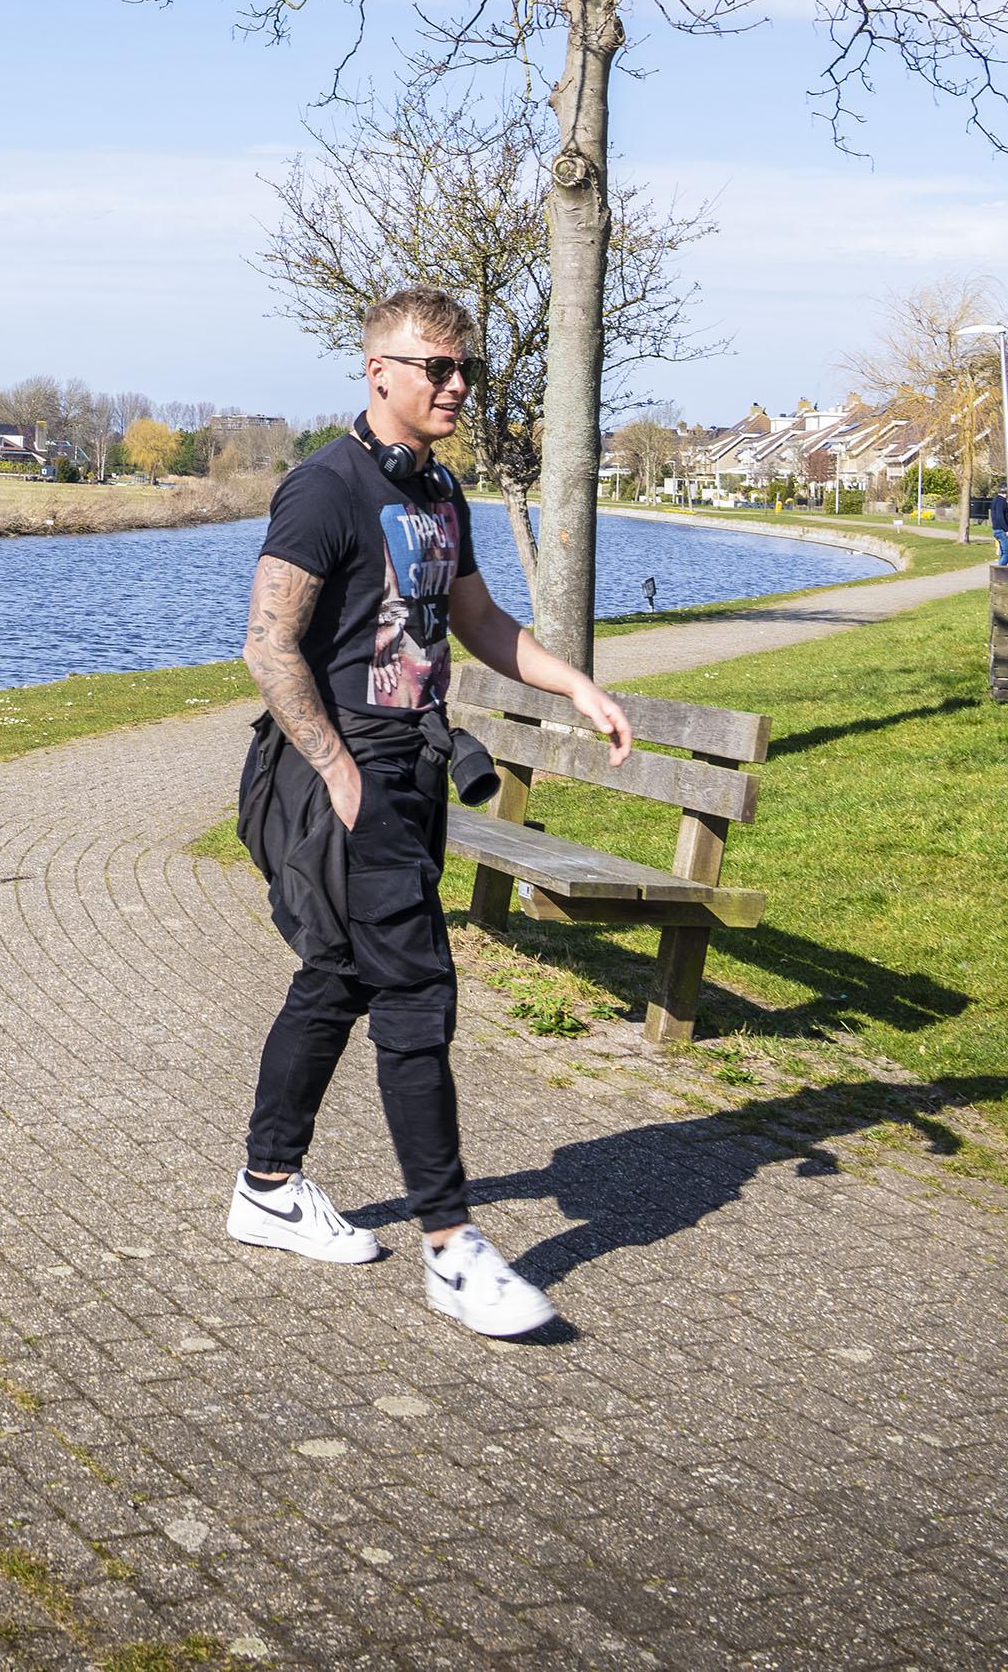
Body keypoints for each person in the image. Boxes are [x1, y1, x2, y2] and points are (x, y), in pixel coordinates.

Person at [227, 288, 636, 1339]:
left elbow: (480, 619)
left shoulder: (440, 489)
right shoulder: (325, 487)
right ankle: (452, 1246)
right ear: (380, 372)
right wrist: (337, 768)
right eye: (437, 368)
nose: (457, 386)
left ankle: (267, 1186)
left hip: (411, 771)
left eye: (467, 370)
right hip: (345, 774)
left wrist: (576, 686)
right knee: (417, 989)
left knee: (340, 975)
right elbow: (268, 644)